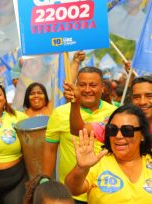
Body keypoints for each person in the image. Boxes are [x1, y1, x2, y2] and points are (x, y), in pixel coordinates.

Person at [42, 67, 116, 204]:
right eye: (82, 85)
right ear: (75, 87)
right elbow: (50, 149)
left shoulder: (115, 113)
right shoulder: (60, 113)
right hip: (71, 193)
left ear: (103, 87)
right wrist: (45, 180)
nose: (87, 90)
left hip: (106, 191)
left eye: (93, 85)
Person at [65, 104, 152, 203]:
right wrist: (81, 168)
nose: (118, 136)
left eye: (127, 130)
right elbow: (71, 190)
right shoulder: (96, 162)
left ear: (142, 135)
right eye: (112, 129)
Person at [64, 75, 152, 143]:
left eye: (149, 96)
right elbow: (78, 130)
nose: (142, 102)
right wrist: (76, 103)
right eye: (136, 97)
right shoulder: (119, 122)